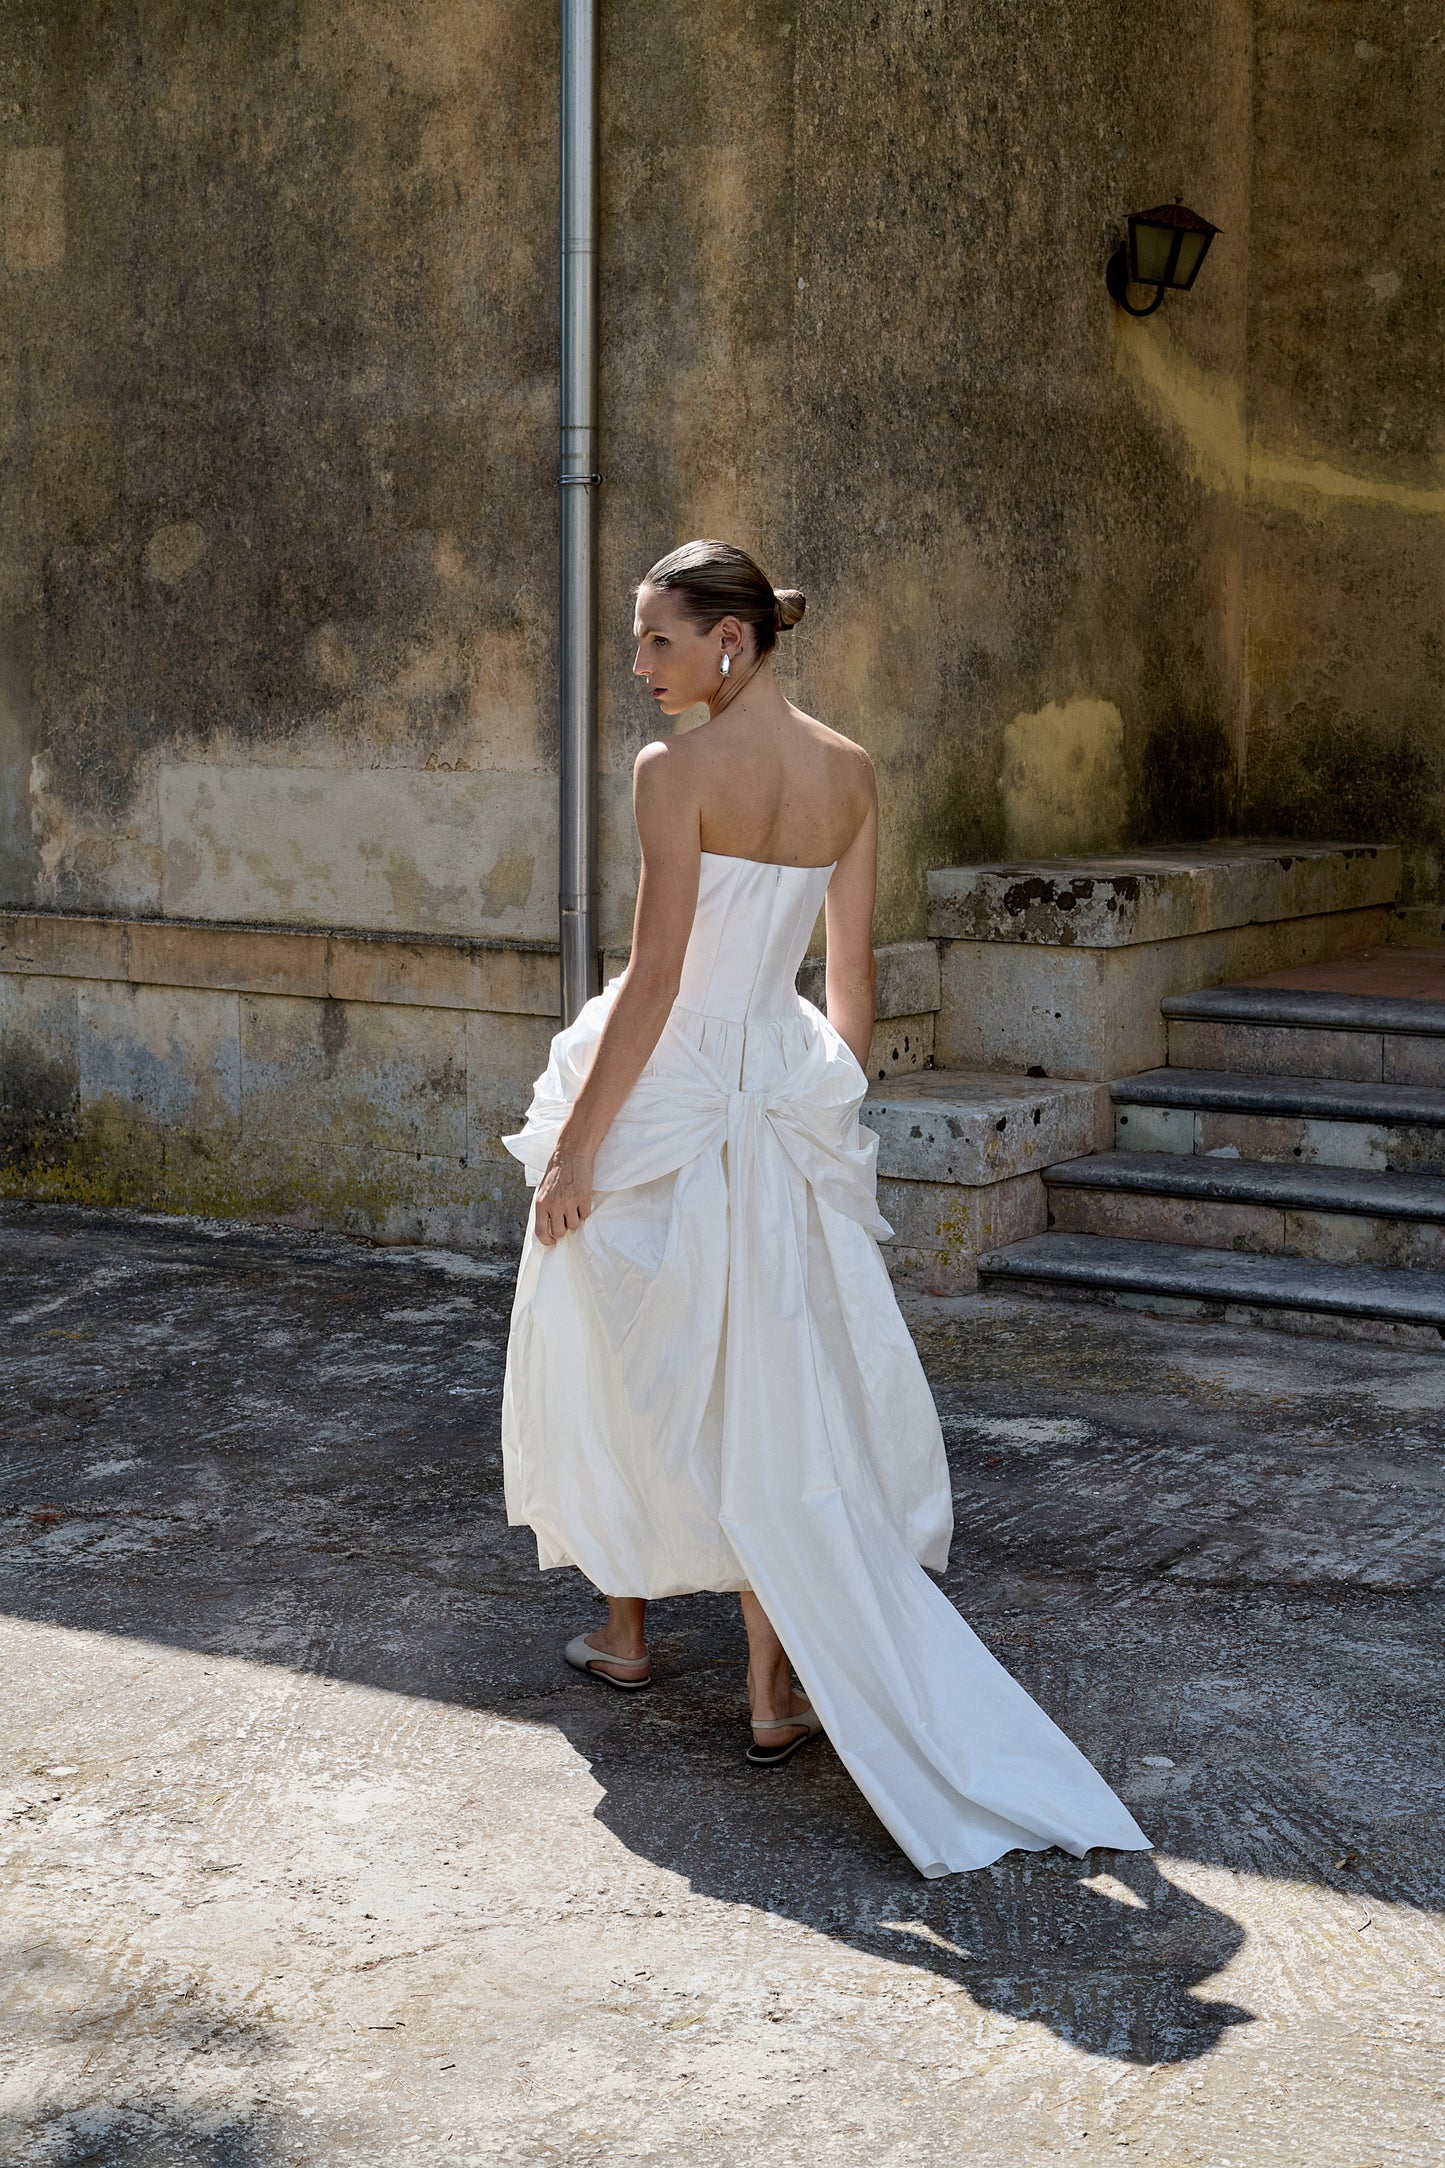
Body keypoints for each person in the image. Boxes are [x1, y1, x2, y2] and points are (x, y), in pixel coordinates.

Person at [501, 539, 1150, 1878]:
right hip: (781, 1093)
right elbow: (849, 975)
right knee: (775, 1374)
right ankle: (768, 1694)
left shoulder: (672, 776)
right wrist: (820, 1099)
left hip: (674, 1085)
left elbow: (659, 974)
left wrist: (576, 1143)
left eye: (658, 642)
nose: (640, 667)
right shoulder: (849, 770)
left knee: (628, 1346)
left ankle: (626, 1634)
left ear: (729, 643)